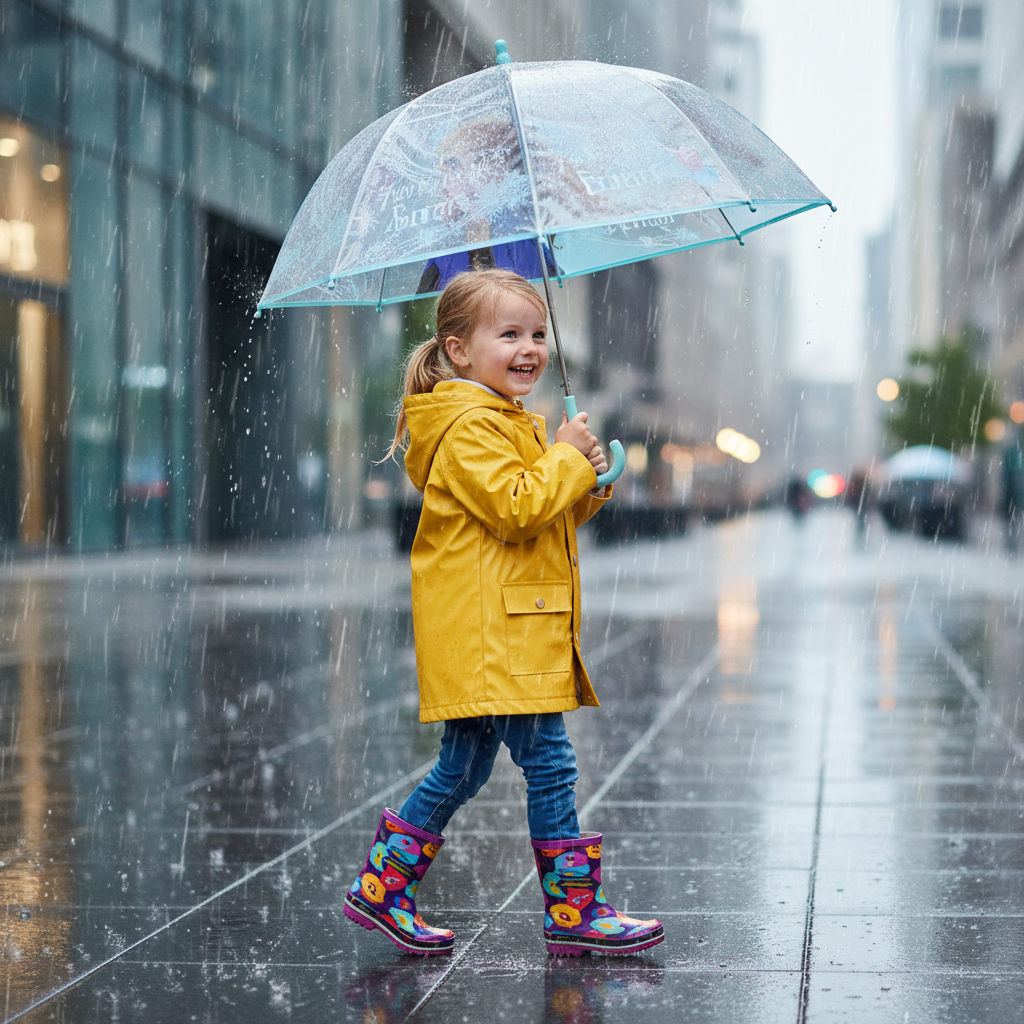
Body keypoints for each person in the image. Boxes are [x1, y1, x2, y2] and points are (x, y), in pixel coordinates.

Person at [343, 269, 664, 958]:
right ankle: (573, 910)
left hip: (499, 628)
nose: (530, 348)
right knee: (550, 762)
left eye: (538, 334)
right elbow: (517, 509)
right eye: (510, 334)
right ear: (458, 350)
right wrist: (563, 459)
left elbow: (542, 518)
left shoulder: (509, 422)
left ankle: (384, 888)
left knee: (462, 769)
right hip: (497, 633)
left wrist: (584, 477)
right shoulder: (469, 429)